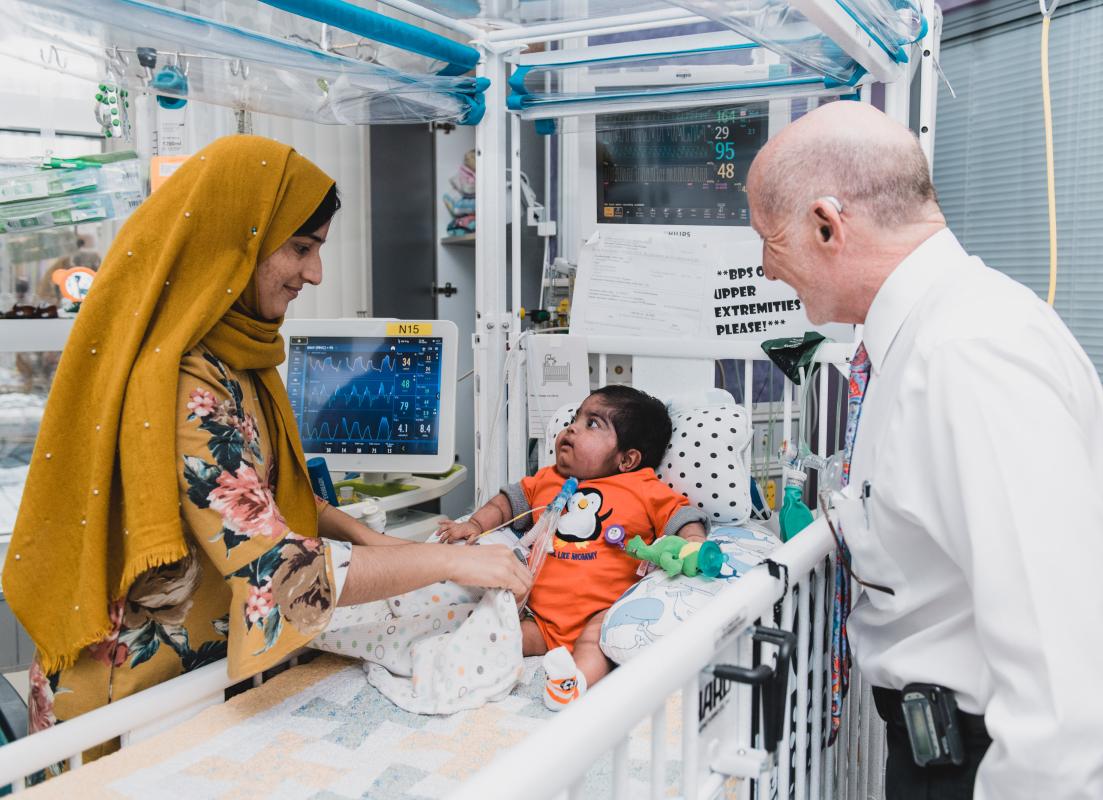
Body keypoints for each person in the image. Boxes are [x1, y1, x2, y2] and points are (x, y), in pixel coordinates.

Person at [3, 135, 530, 755]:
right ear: (236, 243)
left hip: (198, 673)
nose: (315, 273)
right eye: (301, 248)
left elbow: (262, 491)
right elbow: (282, 574)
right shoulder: (180, 384)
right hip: (133, 690)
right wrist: (449, 562)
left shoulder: (240, 356)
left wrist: (370, 539)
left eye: (320, 250)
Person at [746, 101, 1103, 799]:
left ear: (826, 225)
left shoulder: (968, 354)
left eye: (768, 239)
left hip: (1002, 767)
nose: (767, 269)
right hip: (949, 750)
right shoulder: (921, 340)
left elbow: (1069, 700)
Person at [438, 385, 708, 707]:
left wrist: (693, 543)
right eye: (575, 418)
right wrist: (476, 524)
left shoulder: (642, 487)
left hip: (601, 612)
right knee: (494, 635)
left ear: (627, 459)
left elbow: (683, 515)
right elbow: (505, 503)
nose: (572, 427)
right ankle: (447, 660)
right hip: (539, 617)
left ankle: (571, 683)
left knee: (596, 644)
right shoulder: (546, 479)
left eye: (592, 423)